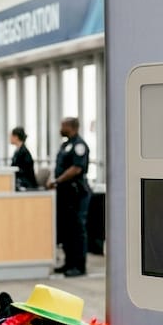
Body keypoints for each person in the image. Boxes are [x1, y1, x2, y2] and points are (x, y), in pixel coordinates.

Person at [48, 117, 90, 277]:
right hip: (64, 193)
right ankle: (68, 263)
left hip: (76, 193)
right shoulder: (66, 145)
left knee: (77, 230)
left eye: (62, 126)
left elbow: (76, 168)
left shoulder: (79, 145)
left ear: (71, 127)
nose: (60, 128)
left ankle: (79, 266)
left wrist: (57, 180)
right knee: (66, 229)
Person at [9, 126, 37, 190]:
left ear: (16, 137)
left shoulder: (24, 152)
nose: (9, 138)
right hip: (21, 180)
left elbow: (25, 172)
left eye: (11, 136)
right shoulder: (18, 151)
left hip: (26, 183)